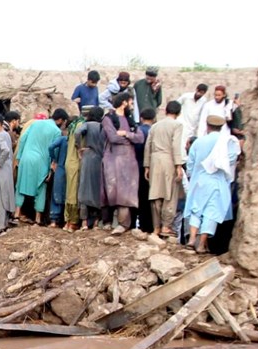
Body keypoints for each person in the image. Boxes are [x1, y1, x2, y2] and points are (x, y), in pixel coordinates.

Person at [185, 115, 240, 253]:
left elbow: (190, 163)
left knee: (196, 209)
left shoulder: (198, 142)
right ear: (221, 127)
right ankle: (202, 244)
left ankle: (192, 239)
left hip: (200, 180)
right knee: (211, 212)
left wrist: (192, 175)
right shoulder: (227, 143)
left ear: (207, 126)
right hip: (217, 181)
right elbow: (231, 160)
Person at [101, 92, 145, 234]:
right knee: (111, 190)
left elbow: (140, 138)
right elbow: (113, 137)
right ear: (124, 103)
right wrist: (128, 138)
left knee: (126, 192)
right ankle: (107, 222)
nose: (132, 106)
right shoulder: (108, 118)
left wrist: (126, 134)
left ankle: (123, 224)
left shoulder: (130, 120)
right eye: (131, 102)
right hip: (112, 159)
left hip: (128, 160)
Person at [15, 108, 67, 225]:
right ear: (59, 120)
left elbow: (23, 139)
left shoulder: (35, 123)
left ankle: (17, 213)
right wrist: (52, 165)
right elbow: (54, 149)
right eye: (63, 122)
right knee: (41, 188)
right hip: (42, 161)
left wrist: (19, 156)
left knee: (20, 185)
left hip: (26, 158)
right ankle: (38, 218)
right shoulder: (56, 131)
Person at [144, 100, 186, 240]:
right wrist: (178, 165)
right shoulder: (177, 125)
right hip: (169, 160)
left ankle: (156, 227)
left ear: (165, 111)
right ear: (179, 113)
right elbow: (176, 145)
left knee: (155, 194)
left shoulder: (155, 126)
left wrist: (147, 166)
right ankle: (166, 226)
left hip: (155, 161)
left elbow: (148, 146)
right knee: (169, 194)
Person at [74, 106, 106, 231]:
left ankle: (84, 223)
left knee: (84, 188)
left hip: (88, 157)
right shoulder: (102, 126)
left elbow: (77, 132)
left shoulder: (87, 124)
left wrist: (79, 147)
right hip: (100, 159)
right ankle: (97, 222)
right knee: (97, 189)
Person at [62, 112, 85, 231]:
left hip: (68, 163)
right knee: (74, 194)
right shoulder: (80, 126)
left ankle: (67, 221)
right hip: (75, 163)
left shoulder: (72, 128)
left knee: (69, 192)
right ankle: (73, 222)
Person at [46, 117, 70, 228]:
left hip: (60, 168)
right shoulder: (74, 140)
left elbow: (51, 147)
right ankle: (67, 221)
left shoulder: (63, 139)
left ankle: (54, 221)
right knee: (68, 194)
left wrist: (54, 159)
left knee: (56, 193)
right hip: (71, 170)